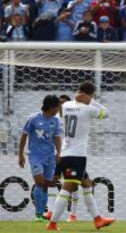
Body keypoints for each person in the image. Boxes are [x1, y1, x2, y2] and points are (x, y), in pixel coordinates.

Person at [46, 82, 115, 230]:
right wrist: (90, 101)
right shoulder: (89, 109)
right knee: (67, 188)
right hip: (76, 156)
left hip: (65, 152)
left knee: (87, 183)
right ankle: (52, 223)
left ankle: (98, 219)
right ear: (90, 94)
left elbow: (58, 115)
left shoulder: (65, 106)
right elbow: (107, 113)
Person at [18, 95, 62, 222]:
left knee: (47, 185)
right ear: (51, 107)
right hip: (35, 156)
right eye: (57, 106)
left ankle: (42, 213)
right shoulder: (33, 119)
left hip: (50, 156)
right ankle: (38, 214)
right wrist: (20, 155)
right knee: (39, 182)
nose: (59, 109)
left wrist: (58, 153)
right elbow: (23, 137)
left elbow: (57, 137)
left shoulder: (56, 120)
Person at [44, 94, 81, 223]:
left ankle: (73, 214)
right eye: (60, 103)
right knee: (51, 181)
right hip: (56, 155)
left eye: (64, 103)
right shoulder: (53, 119)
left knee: (73, 184)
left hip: (71, 156)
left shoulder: (73, 118)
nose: (61, 105)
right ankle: (50, 211)